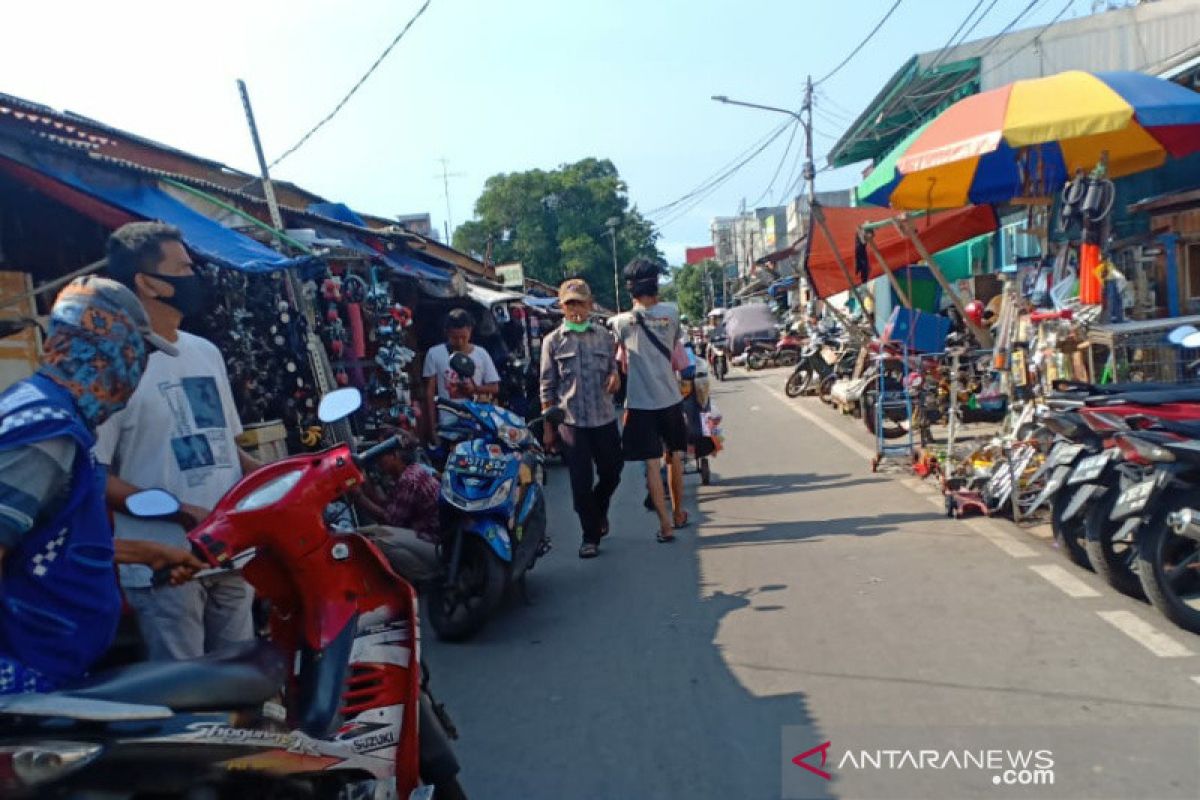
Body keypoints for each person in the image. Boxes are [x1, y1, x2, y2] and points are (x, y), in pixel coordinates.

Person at [0, 276, 202, 694]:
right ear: (111, 349)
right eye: (139, 353)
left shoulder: (53, 416)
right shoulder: (47, 433)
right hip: (27, 680)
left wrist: (143, 553)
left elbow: (41, 543)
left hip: (52, 667)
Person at [95, 222, 260, 661]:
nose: (195, 278)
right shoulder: (111, 366)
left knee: (244, 693)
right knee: (191, 705)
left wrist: (270, 479)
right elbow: (93, 476)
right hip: (165, 568)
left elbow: (225, 441)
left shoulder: (206, 352)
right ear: (148, 283)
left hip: (230, 554)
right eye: (184, 268)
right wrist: (179, 512)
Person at [539, 279, 622, 559]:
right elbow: (547, 387)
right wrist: (549, 428)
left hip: (604, 418)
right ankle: (590, 536)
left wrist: (615, 378)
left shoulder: (605, 337)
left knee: (612, 472)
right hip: (571, 422)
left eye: (580, 303)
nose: (575, 309)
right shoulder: (552, 342)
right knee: (580, 483)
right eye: (570, 303)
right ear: (562, 307)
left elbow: (615, 372)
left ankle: (599, 510)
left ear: (590, 305)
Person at [611, 258, 690, 543]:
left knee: (652, 465)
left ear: (630, 289)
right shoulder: (672, 313)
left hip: (640, 404)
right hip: (670, 398)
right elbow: (675, 345)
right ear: (656, 284)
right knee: (674, 459)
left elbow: (619, 359)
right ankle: (679, 512)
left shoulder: (619, 323)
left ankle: (665, 526)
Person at [422, 308, 500, 443]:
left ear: (470, 331)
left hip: (478, 424)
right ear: (446, 333)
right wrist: (432, 429)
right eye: (454, 338)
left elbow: (494, 387)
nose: (459, 342)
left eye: (463, 337)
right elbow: (430, 394)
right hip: (448, 427)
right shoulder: (434, 354)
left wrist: (474, 389)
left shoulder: (481, 354)